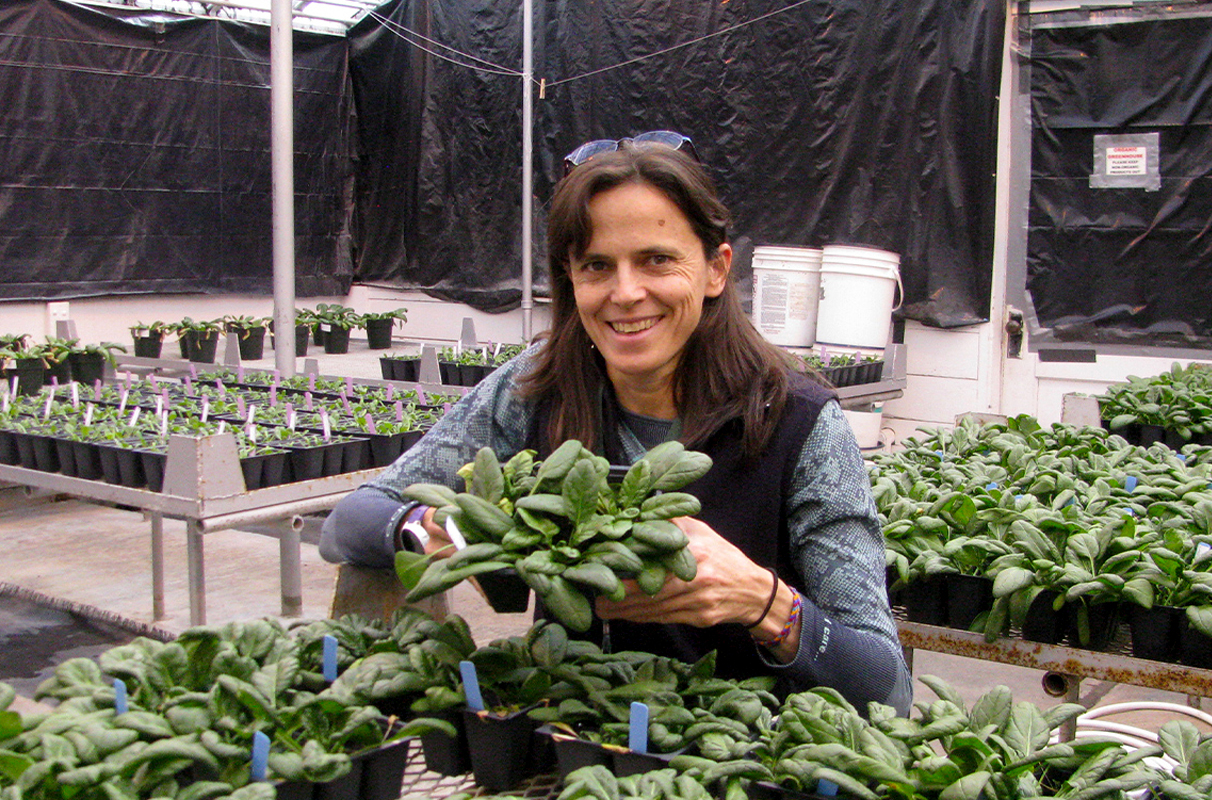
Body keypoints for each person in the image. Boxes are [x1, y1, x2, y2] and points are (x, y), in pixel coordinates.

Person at [320, 132, 912, 715]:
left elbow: (885, 685)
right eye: (597, 266)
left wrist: (765, 603)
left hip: (739, 755)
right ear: (571, 280)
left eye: (657, 260)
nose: (625, 293)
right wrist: (431, 529)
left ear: (715, 269)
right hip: (580, 739)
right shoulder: (536, 386)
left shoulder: (800, 423)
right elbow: (349, 523)